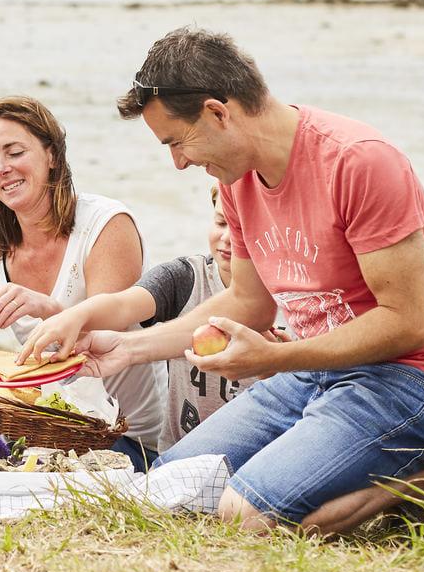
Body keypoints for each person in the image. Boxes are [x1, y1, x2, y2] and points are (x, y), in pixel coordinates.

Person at [68, 27, 424, 534]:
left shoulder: (358, 161)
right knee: (169, 487)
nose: (178, 162)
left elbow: (409, 323)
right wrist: (127, 347)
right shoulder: (236, 181)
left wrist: (276, 359)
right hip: (320, 371)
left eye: (176, 142)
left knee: (248, 517)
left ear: (218, 112)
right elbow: (248, 303)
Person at [0, 96, 168, 463]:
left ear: (51, 155)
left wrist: (50, 310)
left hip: (117, 434)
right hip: (41, 418)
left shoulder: (105, 224)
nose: (2, 168)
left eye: (14, 152)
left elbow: (109, 325)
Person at [21, 185, 262, 452]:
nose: (227, 238)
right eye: (220, 222)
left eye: (242, 228)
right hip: (178, 455)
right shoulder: (184, 278)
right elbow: (123, 304)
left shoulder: (294, 299)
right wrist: (74, 316)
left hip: (259, 455)